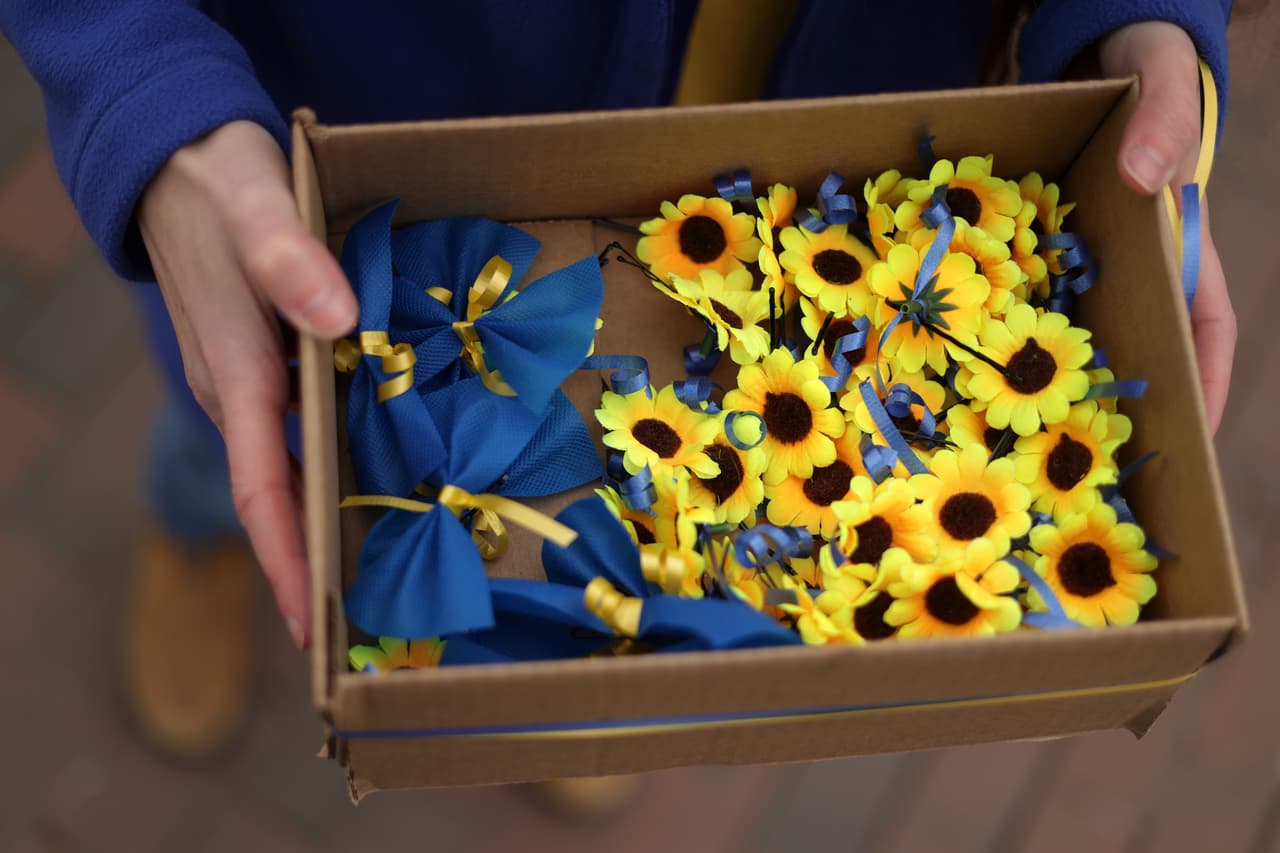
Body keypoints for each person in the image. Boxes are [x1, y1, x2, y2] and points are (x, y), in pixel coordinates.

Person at [0, 0, 1235, 781]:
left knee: (530, 601)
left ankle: (599, 665)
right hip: (349, 106)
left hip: (824, 77)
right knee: (238, 426)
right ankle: (199, 538)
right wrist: (138, 83)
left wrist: (1142, 13)